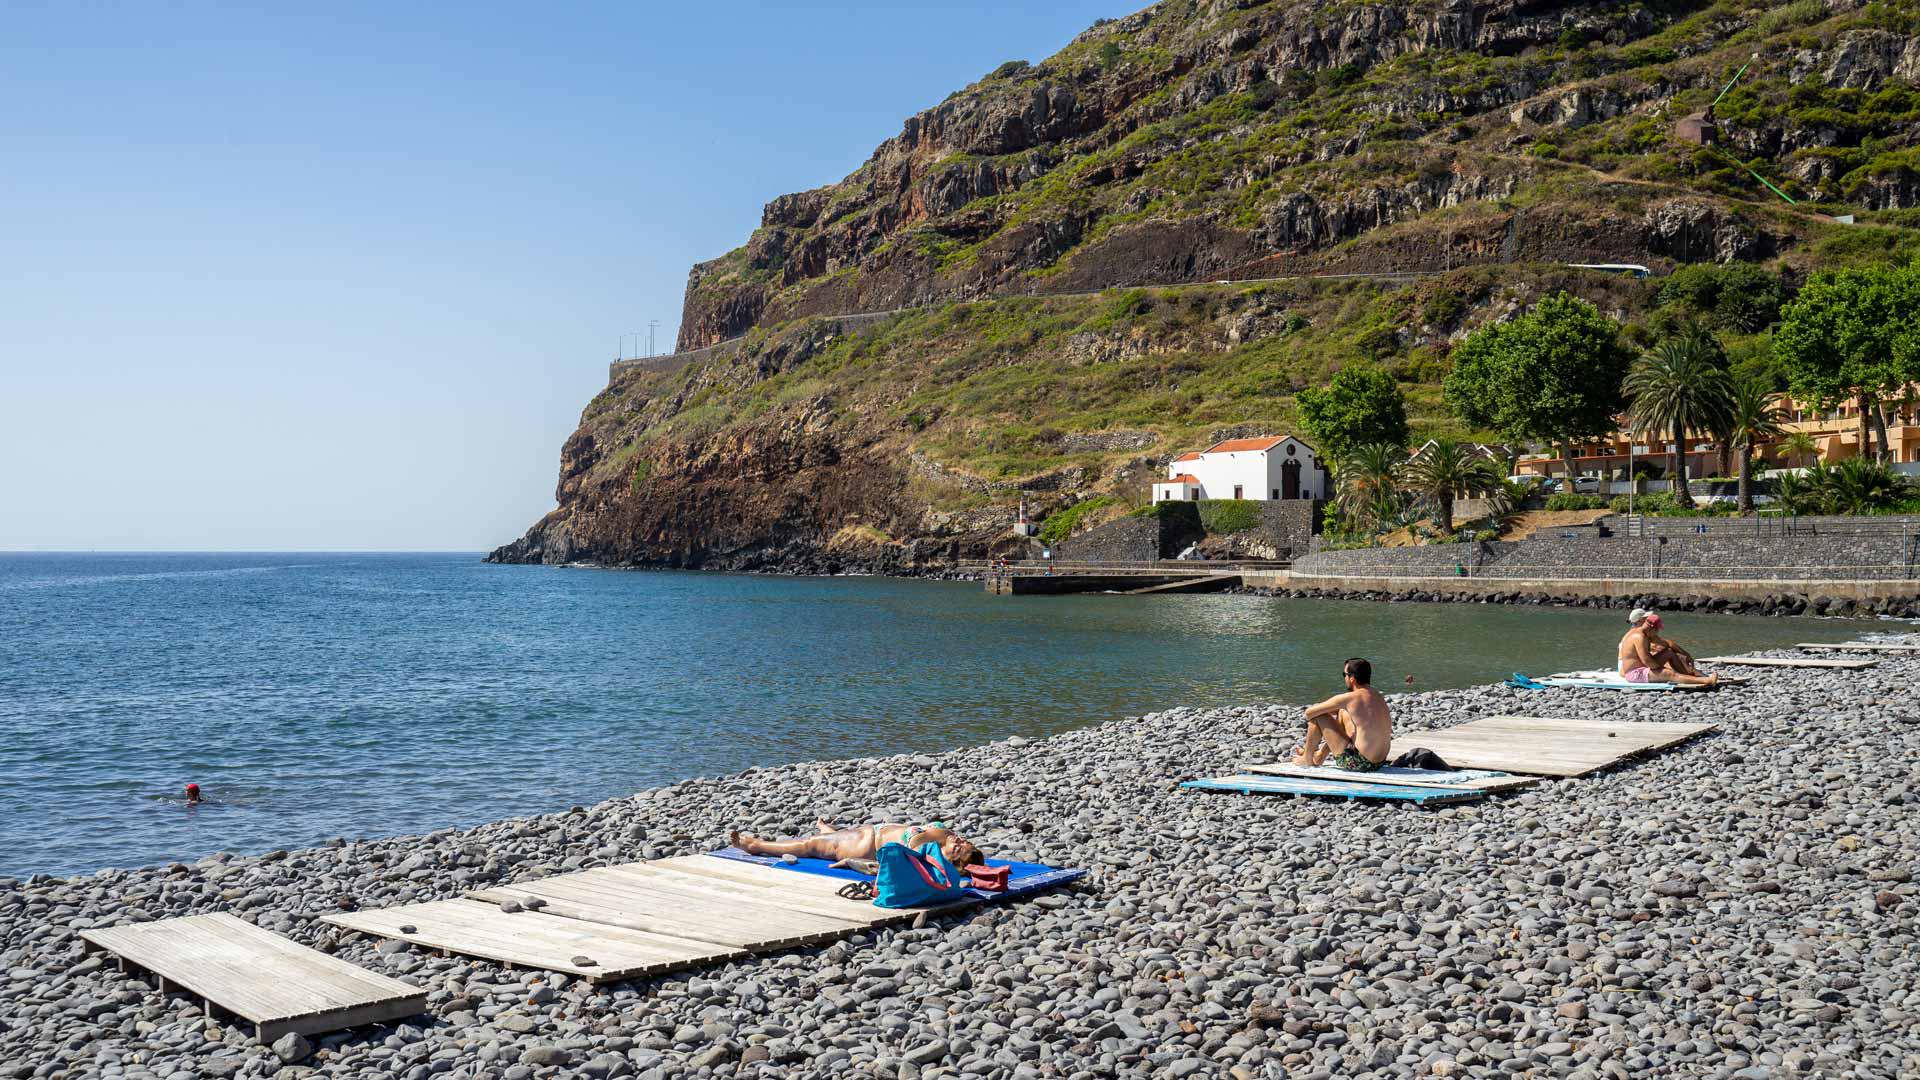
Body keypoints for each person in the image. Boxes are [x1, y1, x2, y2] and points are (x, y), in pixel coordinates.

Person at [730, 820, 983, 868]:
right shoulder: (946, 838)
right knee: (830, 837)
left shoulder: (928, 850)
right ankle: (830, 832)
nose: (959, 841)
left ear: (951, 858)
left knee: (807, 845)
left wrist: (852, 864)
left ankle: (757, 845)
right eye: (964, 841)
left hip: (865, 844)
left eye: (959, 848)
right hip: (869, 833)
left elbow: (890, 860)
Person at [1292, 657, 1393, 771]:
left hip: (1360, 763)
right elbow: (1357, 711)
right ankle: (1320, 755)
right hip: (1379, 762)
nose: (1344, 678)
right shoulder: (1378, 696)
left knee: (1318, 716)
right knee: (1343, 711)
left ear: (1352, 678)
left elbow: (1309, 713)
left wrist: (1326, 710)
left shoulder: (1349, 698)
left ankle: (1307, 758)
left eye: (1344, 674)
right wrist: (1336, 709)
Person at [1618, 609, 1717, 686]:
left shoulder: (1645, 633)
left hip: (1642, 667)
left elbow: (1667, 643)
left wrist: (1686, 655)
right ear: (1652, 628)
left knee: (1668, 652)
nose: (1658, 633)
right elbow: (1646, 660)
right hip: (1635, 673)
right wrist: (1662, 670)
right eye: (1657, 630)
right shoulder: (1639, 636)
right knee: (1668, 673)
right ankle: (1707, 680)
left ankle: (1688, 676)